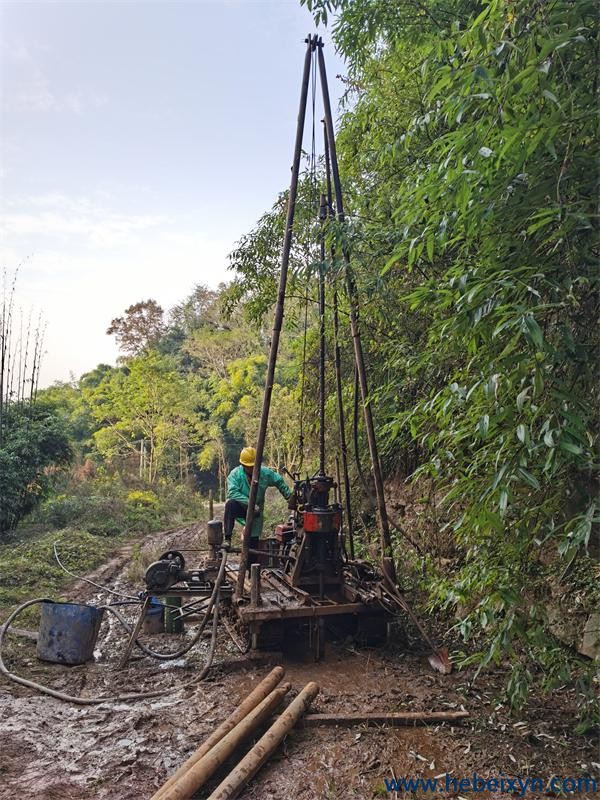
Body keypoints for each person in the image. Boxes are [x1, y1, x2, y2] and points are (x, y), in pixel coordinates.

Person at [223, 446, 292, 553]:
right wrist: (250, 503)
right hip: (241, 508)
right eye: (249, 467)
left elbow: (278, 480)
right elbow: (232, 492)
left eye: (254, 466)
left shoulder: (265, 473)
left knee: (252, 549)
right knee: (230, 504)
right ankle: (227, 538)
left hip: (256, 512)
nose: (252, 469)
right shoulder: (235, 474)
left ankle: (251, 567)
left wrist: (289, 497)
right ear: (243, 465)